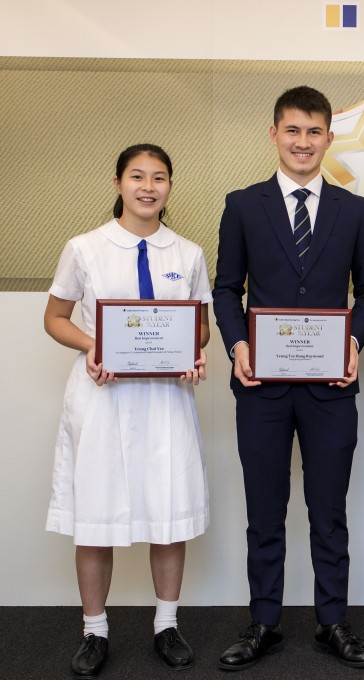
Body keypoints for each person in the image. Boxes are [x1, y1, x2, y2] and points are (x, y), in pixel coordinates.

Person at [212, 86, 364, 671]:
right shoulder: (243, 205)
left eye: (314, 132)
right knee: (264, 512)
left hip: (330, 389)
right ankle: (263, 622)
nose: (303, 142)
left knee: (328, 512)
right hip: (260, 387)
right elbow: (226, 289)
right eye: (293, 130)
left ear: (329, 138)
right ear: (274, 134)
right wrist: (238, 345)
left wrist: (353, 343)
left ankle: (332, 622)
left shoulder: (354, 211)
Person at [43, 143, 211, 678]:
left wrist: (193, 352)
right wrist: (94, 345)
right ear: (117, 183)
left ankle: (167, 625)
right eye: (137, 176)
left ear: (169, 187)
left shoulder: (188, 253)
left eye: (159, 177)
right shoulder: (85, 247)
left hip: (165, 398)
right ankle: (94, 631)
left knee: (168, 511)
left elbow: (201, 327)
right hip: (102, 395)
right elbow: (55, 318)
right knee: (96, 517)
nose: (148, 187)